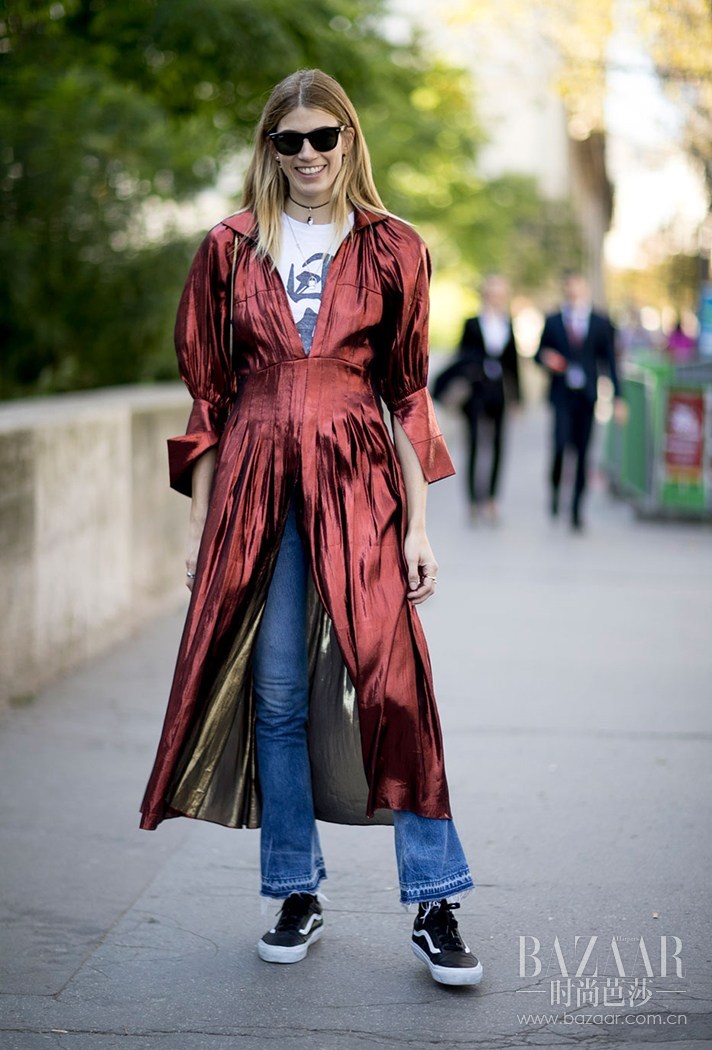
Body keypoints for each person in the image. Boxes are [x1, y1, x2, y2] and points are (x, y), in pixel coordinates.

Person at [139, 69, 482, 988]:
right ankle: (295, 887)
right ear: (269, 149)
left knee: (394, 681)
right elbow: (206, 399)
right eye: (288, 142)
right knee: (278, 696)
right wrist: (205, 525)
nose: (306, 157)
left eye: (322, 138)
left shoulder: (392, 247)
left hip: (356, 482)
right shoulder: (228, 249)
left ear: (349, 140)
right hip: (254, 487)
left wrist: (419, 527)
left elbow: (407, 393)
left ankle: (435, 896)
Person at [536, 273, 627, 531]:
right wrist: (547, 359)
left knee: (583, 453)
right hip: (561, 396)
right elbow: (538, 354)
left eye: (578, 286)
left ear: (585, 289)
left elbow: (609, 361)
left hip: (587, 397)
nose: (573, 291)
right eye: (569, 287)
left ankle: (576, 509)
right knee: (560, 447)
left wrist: (618, 398)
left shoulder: (600, 322)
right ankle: (555, 492)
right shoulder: (553, 321)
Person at [456, 275, 520, 522]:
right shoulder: (472, 323)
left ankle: (492, 499)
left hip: (499, 393)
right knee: (473, 444)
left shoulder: (508, 323)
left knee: (498, 446)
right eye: (492, 293)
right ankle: (473, 500)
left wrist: (517, 399)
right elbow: (462, 356)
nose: (496, 298)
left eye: (500, 293)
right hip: (475, 392)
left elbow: (513, 364)